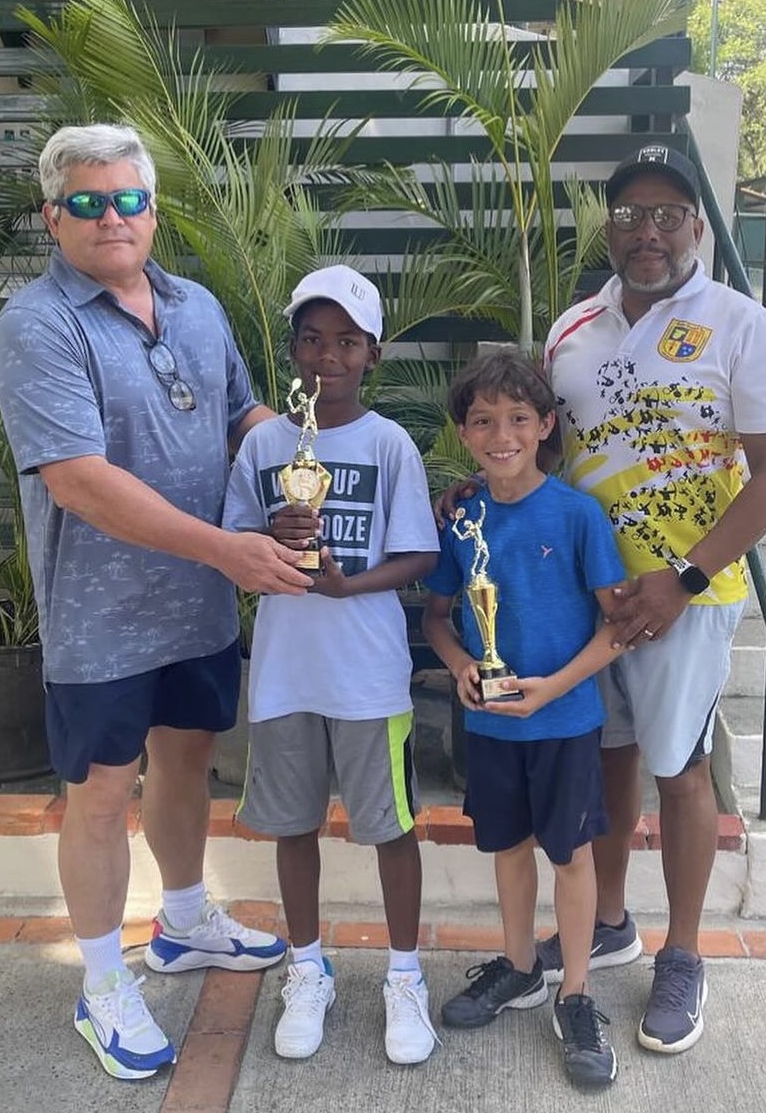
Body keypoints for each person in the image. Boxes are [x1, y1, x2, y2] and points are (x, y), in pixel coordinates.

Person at [0, 123, 312, 1082]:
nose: (112, 218)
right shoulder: (39, 325)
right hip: (101, 621)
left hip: (196, 605)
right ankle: (101, 983)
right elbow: (79, 480)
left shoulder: (196, 307)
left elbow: (241, 415)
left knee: (186, 763)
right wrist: (228, 549)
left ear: (153, 211)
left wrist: (322, 465)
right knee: (98, 794)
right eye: (87, 202)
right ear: (53, 217)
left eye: (128, 198)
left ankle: (182, 921)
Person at [538, 144, 766, 1053]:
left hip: (689, 596)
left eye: (666, 215)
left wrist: (682, 580)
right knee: (606, 758)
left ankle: (683, 952)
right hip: (594, 595)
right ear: (608, 227)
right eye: (628, 215)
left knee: (679, 768)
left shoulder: (743, 328)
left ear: (696, 225)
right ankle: (610, 922)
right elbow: (553, 450)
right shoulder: (572, 329)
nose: (646, 231)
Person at [222, 266, 441, 1065]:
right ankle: (307, 967)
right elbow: (233, 547)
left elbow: (420, 554)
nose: (328, 356)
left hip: (367, 676)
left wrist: (350, 584)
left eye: (347, 342)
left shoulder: (389, 444)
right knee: (293, 827)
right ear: (293, 350)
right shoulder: (263, 445)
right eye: (313, 339)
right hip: (286, 673)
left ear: (372, 354)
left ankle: (404, 977)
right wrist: (268, 542)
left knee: (391, 829)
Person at [421, 349, 628, 1090]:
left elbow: (616, 628)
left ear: (544, 425)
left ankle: (575, 992)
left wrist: (552, 690)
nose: (500, 435)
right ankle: (518, 969)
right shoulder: (462, 517)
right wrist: (460, 667)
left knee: (569, 855)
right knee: (507, 848)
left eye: (517, 418)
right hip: (491, 727)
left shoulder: (577, 515)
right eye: (482, 421)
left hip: (563, 723)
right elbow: (437, 617)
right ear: (464, 434)